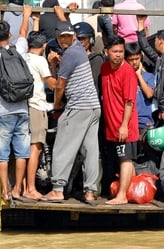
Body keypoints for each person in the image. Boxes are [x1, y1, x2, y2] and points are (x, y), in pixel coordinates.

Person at [44, 21, 101, 202]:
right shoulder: (78, 51)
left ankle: (58, 189)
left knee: (63, 146)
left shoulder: (70, 54)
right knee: (90, 150)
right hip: (93, 106)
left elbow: (60, 85)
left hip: (79, 106)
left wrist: (56, 104)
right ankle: (90, 191)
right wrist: (56, 65)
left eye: (66, 36)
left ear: (73, 36)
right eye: (61, 37)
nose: (63, 40)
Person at [0, 9, 30, 202]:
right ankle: (18, 188)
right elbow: (24, 33)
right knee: (21, 152)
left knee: (1, 154)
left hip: (2, 112)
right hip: (22, 109)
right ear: (10, 34)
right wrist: (25, 16)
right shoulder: (20, 49)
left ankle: (5, 190)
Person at [101, 36, 139, 205]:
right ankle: (131, 191)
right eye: (115, 51)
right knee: (121, 159)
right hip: (110, 126)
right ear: (106, 52)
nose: (118, 55)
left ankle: (122, 195)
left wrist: (124, 125)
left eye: (121, 52)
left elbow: (129, 101)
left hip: (125, 126)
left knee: (125, 159)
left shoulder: (128, 72)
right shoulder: (104, 67)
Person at [23, 14, 57, 200]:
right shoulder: (40, 60)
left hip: (23, 107)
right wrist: (54, 65)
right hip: (37, 106)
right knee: (35, 148)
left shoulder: (23, 57)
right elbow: (52, 84)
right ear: (43, 46)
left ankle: (21, 187)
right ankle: (30, 188)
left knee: (23, 149)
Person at [125, 42, 157, 166]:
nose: (134, 62)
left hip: (145, 123)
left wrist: (138, 75)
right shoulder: (124, 77)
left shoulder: (148, 76)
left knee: (146, 158)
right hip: (130, 124)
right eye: (131, 60)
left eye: (137, 59)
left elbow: (149, 94)